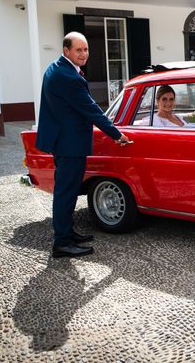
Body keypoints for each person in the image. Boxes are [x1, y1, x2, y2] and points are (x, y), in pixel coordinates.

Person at [35, 31, 131, 258]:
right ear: (66, 50)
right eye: (78, 50)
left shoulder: (55, 68)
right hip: (70, 144)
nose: (84, 54)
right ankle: (62, 242)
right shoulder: (69, 77)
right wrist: (116, 134)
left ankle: (67, 233)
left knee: (66, 191)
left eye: (86, 49)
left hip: (63, 140)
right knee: (66, 193)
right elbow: (92, 110)